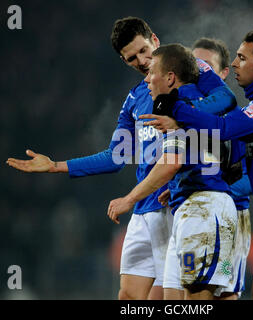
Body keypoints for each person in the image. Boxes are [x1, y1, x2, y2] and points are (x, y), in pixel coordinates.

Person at [6, 17, 236, 300]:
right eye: (131, 58)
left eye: (143, 50)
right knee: (128, 297)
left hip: (175, 201)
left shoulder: (191, 72)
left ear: (154, 39)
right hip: (142, 207)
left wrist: (184, 112)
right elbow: (116, 156)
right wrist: (57, 166)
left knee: (174, 298)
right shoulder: (135, 98)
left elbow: (226, 98)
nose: (141, 60)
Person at [140, 31, 253, 300]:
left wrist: (175, 111)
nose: (236, 64)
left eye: (242, 58)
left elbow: (223, 128)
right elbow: (231, 154)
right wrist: (195, 180)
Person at [108, 43, 238, 300]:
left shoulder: (176, 106)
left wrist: (129, 199)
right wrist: (182, 182)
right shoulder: (202, 104)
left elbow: (170, 163)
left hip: (204, 209)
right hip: (193, 204)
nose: (146, 78)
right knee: (176, 298)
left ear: (170, 77)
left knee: (198, 298)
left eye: (152, 71)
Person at [192, 37, 252, 299]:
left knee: (225, 294)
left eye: (205, 66)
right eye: (193, 67)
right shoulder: (186, 118)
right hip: (194, 218)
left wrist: (219, 194)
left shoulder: (241, 120)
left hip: (231, 218)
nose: (198, 73)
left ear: (223, 73)